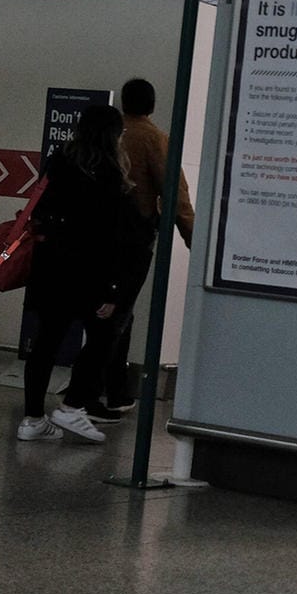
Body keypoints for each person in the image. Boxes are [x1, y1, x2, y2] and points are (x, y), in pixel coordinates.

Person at [17, 105, 148, 443]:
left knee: (46, 342)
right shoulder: (110, 175)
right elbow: (111, 237)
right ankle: (73, 405)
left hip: (51, 268)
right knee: (105, 336)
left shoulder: (59, 162)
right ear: (113, 135)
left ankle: (32, 419)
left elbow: (42, 211)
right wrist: (112, 290)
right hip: (90, 273)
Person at [106, 78, 195, 412]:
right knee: (121, 314)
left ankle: (95, 386)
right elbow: (176, 195)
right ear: (152, 105)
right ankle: (114, 392)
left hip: (97, 239)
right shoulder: (155, 139)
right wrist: (193, 241)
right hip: (132, 240)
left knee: (102, 311)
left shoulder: (110, 135)